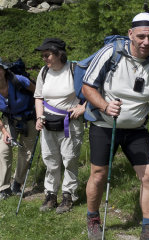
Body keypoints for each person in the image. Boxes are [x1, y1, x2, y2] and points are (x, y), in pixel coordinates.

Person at [81, 13, 149, 240]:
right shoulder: (110, 54)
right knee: (98, 174)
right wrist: (104, 106)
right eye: (141, 36)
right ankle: (92, 219)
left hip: (136, 130)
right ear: (130, 34)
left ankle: (148, 233)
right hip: (104, 125)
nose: (145, 41)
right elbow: (87, 86)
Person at [34, 38, 86, 214]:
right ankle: (50, 195)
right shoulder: (43, 72)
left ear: (58, 54)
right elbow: (38, 97)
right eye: (43, 55)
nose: (44, 58)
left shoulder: (74, 70)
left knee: (69, 159)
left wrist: (83, 107)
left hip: (69, 124)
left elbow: (93, 90)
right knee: (50, 160)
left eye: (47, 55)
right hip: (48, 123)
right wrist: (38, 117)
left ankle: (68, 195)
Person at [0, 56, 38, 203]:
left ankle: (17, 184)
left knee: (26, 153)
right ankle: (3, 189)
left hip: (30, 119)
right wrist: (4, 131)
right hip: (10, 121)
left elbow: (39, 94)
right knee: (4, 150)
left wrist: (41, 115)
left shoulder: (19, 80)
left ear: (4, 69)